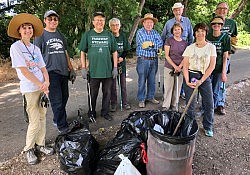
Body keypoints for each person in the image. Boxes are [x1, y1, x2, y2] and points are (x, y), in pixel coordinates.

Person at [8, 13, 54, 165]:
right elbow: (25, 71)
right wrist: (41, 84)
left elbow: (43, 68)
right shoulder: (16, 47)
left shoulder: (35, 48)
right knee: (34, 120)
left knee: (42, 117)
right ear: (19, 31)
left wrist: (46, 82)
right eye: (24, 28)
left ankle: (40, 145)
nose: (27, 30)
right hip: (30, 88)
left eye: (30, 28)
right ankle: (29, 149)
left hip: (42, 88)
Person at [34, 10, 76, 134]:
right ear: (45, 20)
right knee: (56, 100)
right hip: (50, 72)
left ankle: (57, 119)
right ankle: (62, 127)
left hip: (63, 71)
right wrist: (39, 74)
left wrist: (71, 68)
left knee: (64, 97)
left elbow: (65, 53)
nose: (53, 21)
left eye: (55, 19)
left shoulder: (60, 35)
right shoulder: (40, 35)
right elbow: (36, 55)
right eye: (50, 19)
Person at [79, 12, 118, 121]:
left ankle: (105, 112)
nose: (99, 22)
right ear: (93, 22)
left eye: (101, 20)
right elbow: (82, 51)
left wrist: (115, 67)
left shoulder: (109, 35)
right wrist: (83, 67)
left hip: (107, 71)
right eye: (97, 20)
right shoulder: (88, 35)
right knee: (93, 94)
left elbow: (114, 51)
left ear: (104, 22)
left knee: (107, 93)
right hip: (94, 72)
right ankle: (91, 113)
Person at [182, 23, 217, 137]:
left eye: (203, 31)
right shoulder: (189, 48)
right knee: (190, 104)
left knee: (208, 102)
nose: (200, 33)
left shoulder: (211, 47)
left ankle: (208, 126)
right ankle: (190, 126)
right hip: (191, 75)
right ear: (195, 33)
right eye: (198, 31)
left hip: (204, 77)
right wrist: (187, 81)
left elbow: (212, 66)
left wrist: (201, 80)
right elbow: (185, 66)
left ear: (206, 33)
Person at [161, 2, 194, 99]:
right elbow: (163, 37)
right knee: (168, 77)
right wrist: (164, 50)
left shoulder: (187, 21)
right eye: (175, 9)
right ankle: (166, 96)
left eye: (179, 9)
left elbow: (191, 37)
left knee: (181, 75)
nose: (177, 11)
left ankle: (179, 94)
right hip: (171, 55)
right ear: (173, 11)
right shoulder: (168, 23)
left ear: (182, 10)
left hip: (184, 55)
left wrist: (190, 50)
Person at [213, 2, 238, 115]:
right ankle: (211, 103)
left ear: (227, 11)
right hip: (212, 57)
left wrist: (229, 52)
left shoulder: (232, 23)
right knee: (212, 82)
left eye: (225, 9)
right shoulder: (212, 22)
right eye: (220, 8)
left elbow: (234, 40)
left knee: (222, 80)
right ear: (216, 10)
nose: (222, 10)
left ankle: (220, 104)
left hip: (225, 56)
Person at [136, 13, 163, 108]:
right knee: (142, 80)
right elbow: (143, 45)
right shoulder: (140, 32)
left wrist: (150, 44)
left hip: (154, 60)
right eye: (147, 22)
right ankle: (141, 99)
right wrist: (153, 45)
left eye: (151, 22)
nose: (149, 24)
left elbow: (160, 44)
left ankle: (150, 97)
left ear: (153, 24)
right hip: (143, 60)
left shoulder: (155, 33)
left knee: (152, 80)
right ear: (143, 23)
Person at [207, 16, 231, 115]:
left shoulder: (225, 37)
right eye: (214, 24)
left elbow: (226, 56)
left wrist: (224, 72)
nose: (216, 25)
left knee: (216, 90)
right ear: (212, 25)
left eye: (219, 24)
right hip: (207, 68)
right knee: (207, 90)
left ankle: (212, 109)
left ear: (221, 26)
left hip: (219, 67)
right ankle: (206, 108)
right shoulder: (207, 36)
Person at [162, 23, 188, 111]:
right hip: (169, 66)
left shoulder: (185, 43)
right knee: (168, 86)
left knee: (178, 87)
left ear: (181, 31)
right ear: (172, 31)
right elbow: (167, 55)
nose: (177, 31)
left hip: (180, 67)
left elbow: (185, 57)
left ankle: (174, 104)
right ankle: (166, 105)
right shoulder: (169, 41)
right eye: (175, 29)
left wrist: (179, 67)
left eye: (179, 29)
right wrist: (174, 66)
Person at [109, 18, 131, 112]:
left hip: (121, 64)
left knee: (123, 85)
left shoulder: (123, 36)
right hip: (111, 65)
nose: (115, 27)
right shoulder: (108, 36)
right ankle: (113, 103)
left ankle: (125, 102)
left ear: (120, 26)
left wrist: (122, 57)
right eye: (113, 25)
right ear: (110, 27)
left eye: (117, 25)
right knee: (112, 86)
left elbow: (127, 49)